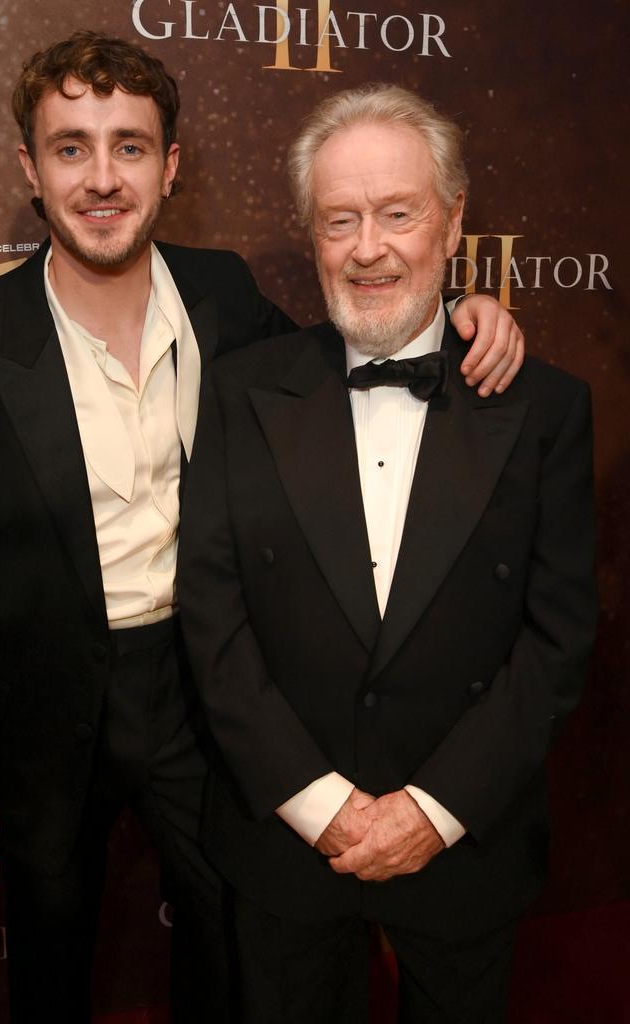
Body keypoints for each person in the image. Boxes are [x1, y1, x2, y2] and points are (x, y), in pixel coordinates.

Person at [0, 31, 523, 1024]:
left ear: (170, 166)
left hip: (203, 691)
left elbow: (342, 359)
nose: (103, 177)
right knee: (50, 957)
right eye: (71, 147)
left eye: (130, 146)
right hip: (46, 717)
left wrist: (464, 310)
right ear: (31, 168)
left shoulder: (223, 297)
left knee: (230, 949)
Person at [178, 82, 597, 1024]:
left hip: (464, 843)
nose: (368, 247)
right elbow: (212, 615)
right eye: (340, 219)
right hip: (287, 840)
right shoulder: (242, 391)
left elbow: (558, 637)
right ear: (311, 235)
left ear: (453, 225)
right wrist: (320, 802)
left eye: (398, 213)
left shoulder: (546, 408)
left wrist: (434, 810)